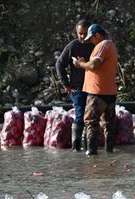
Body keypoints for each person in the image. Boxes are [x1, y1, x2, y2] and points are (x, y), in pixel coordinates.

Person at [73, 23, 118, 155]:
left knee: (91, 122)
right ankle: (109, 152)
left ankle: (91, 155)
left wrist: (80, 64)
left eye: (91, 38)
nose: (91, 42)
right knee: (108, 124)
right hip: (109, 92)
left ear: (97, 35)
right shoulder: (111, 46)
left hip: (98, 92)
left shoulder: (103, 45)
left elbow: (94, 64)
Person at [55, 20, 94, 151]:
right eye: (80, 34)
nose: (82, 37)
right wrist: (66, 85)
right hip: (78, 88)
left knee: (91, 118)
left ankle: (90, 148)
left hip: (93, 87)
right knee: (79, 116)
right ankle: (76, 147)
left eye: (84, 33)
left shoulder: (95, 45)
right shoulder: (73, 46)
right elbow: (59, 64)